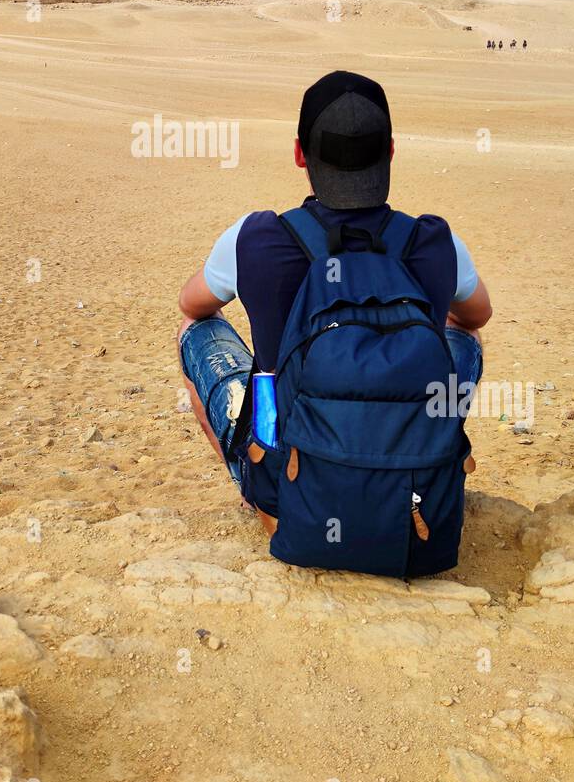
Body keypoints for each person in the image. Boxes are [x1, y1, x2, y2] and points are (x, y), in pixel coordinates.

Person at [177, 71, 493, 576]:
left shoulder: (257, 237)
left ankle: (261, 493)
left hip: (292, 504)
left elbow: (191, 305)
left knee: (196, 336)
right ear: (390, 151)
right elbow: (478, 316)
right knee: (464, 339)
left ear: (301, 154)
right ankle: (410, 466)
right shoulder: (432, 242)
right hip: (408, 515)